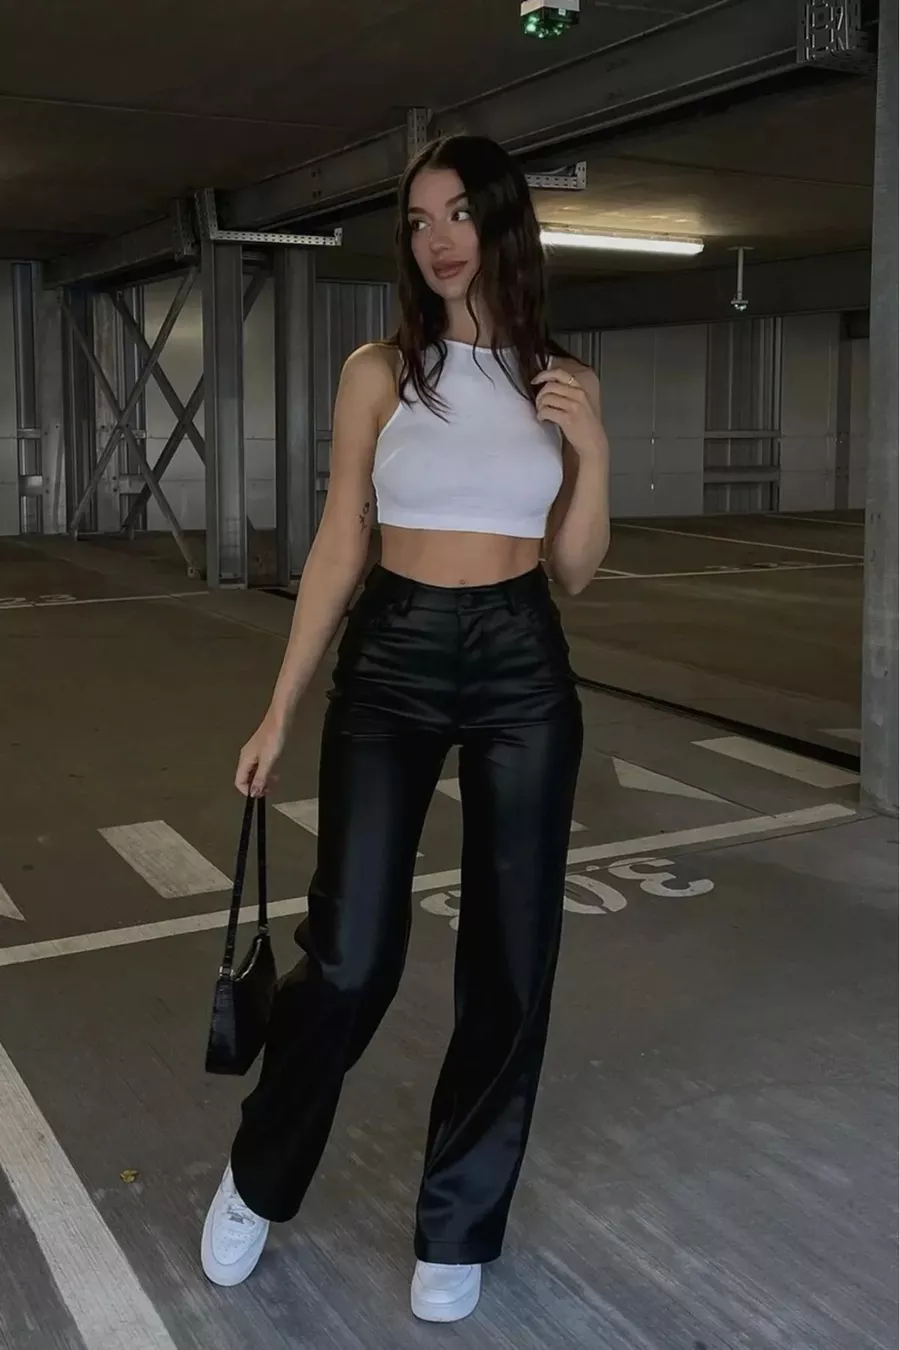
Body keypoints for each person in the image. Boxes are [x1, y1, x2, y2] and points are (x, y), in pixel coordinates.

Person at [200, 132, 610, 1323]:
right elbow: (341, 541)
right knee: (352, 953)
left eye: (458, 214)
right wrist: (280, 706)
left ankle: (457, 1224)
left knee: (512, 958)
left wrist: (589, 450)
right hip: (396, 651)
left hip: (523, 656)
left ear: (504, 222)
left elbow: (578, 567)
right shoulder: (379, 371)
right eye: (419, 221)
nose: (437, 240)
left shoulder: (563, 379)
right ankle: (258, 1175)